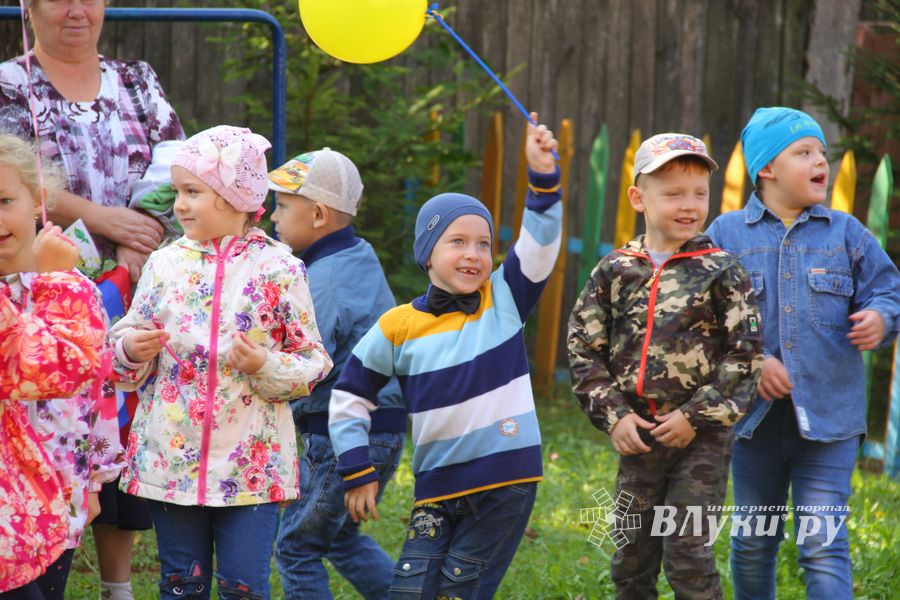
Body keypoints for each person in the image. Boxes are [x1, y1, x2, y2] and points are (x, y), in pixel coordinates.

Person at [329, 114, 558, 598]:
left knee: (461, 588)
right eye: (457, 242)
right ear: (428, 253)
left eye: (483, 243)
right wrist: (356, 468)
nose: (474, 253)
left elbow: (539, 243)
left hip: (505, 482)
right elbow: (349, 395)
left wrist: (542, 179)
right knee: (409, 590)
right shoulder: (396, 326)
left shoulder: (505, 301)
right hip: (435, 486)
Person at [0, 3, 184, 595]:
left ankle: (117, 583)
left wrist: (138, 242)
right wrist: (101, 222)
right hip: (41, 268)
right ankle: (42, 542)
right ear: (30, 6)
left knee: (113, 415)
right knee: (46, 409)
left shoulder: (138, 78)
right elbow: (16, 178)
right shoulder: (9, 83)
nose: (76, 9)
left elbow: (172, 159)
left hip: (136, 269)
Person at [108, 126, 332, 600]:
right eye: (177, 192)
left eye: (193, 192)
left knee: (243, 588)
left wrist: (264, 364)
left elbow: (313, 362)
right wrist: (131, 350)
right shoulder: (164, 265)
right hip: (171, 459)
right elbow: (123, 350)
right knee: (180, 585)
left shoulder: (280, 269)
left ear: (237, 198)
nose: (179, 205)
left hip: (252, 467)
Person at [705, 107, 900, 600]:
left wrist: (880, 317)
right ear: (766, 168)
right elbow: (701, 318)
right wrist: (753, 360)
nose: (820, 162)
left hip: (830, 420)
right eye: (804, 152)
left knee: (823, 543)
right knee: (753, 540)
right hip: (754, 424)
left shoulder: (846, 233)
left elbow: (888, 291)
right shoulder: (725, 236)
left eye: (822, 153)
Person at [567, 133, 763, 600]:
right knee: (630, 556)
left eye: (698, 193)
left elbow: (746, 353)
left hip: (701, 438)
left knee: (688, 553)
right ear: (639, 198)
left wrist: (694, 416)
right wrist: (614, 416)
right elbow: (582, 348)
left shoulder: (721, 270)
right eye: (673, 192)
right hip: (638, 434)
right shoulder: (615, 270)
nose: (688, 204)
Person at [269, 148, 405, 599]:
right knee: (339, 538)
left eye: (283, 206)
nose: (273, 216)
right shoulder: (358, 256)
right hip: (379, 428)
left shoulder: (321, 278)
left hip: (342, 435)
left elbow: (308, 359)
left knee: (296, 548)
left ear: (319, 214)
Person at [0, 134, 122, 600]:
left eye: (6, 200)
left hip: (62, 482)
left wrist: (94, 481)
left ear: (38, 202)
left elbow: (99, 390)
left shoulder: (74, 288)